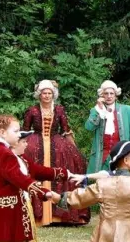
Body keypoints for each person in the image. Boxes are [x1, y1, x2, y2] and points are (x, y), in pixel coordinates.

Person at [21, 80, 87, 225]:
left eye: (49, 93)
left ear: (53, 94)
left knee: (68, 163)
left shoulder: (59, 110)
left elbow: (65, 129)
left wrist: (74, 148)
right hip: (35, 142)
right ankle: (38, 215)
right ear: (39, 94)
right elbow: (25, 130)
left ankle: (60, 215)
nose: (46, 96)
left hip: (56, 142)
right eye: (44, 93)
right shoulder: (32, 110)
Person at [82, 80, 130, 174]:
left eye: (111, 93)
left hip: (121, 154)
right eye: (106, 93)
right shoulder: (96, 110)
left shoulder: (127, 110)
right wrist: (99, 110)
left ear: (115, 95)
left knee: (121, 183)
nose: (109, 96)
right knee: (100, 184)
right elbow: (89, 127)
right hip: (101, 156)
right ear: (102, 96)